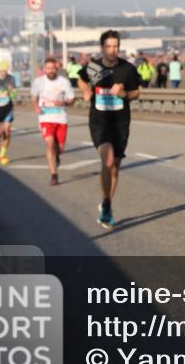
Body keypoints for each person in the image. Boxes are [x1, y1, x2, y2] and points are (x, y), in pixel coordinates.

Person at [78, 30, 142, 229]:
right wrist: (85, 91)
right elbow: (81, 80)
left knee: (115, 167)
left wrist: (124, 94)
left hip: (120, 123)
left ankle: (107, 203)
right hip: (100, 121)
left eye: (115, 46)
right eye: (108, 46)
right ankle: (106, 207)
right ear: (102, 48)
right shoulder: (94, 67)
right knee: (108, 160)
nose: (112, 50)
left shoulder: (127, 69)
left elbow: (136, 92)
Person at [31, 57, 76, 186]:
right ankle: (54, 175)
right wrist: (35, 106)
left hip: (61, 118)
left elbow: (72, 99)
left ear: (56, 69)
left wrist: (63, 102)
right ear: (44, 69)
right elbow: (34, 98)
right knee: (50, 144)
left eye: (52, 68)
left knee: (60, 149)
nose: (50, 71)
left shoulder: (64, 82)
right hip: (45, 117)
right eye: (48, 68)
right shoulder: (38, 82)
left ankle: (56, 156)